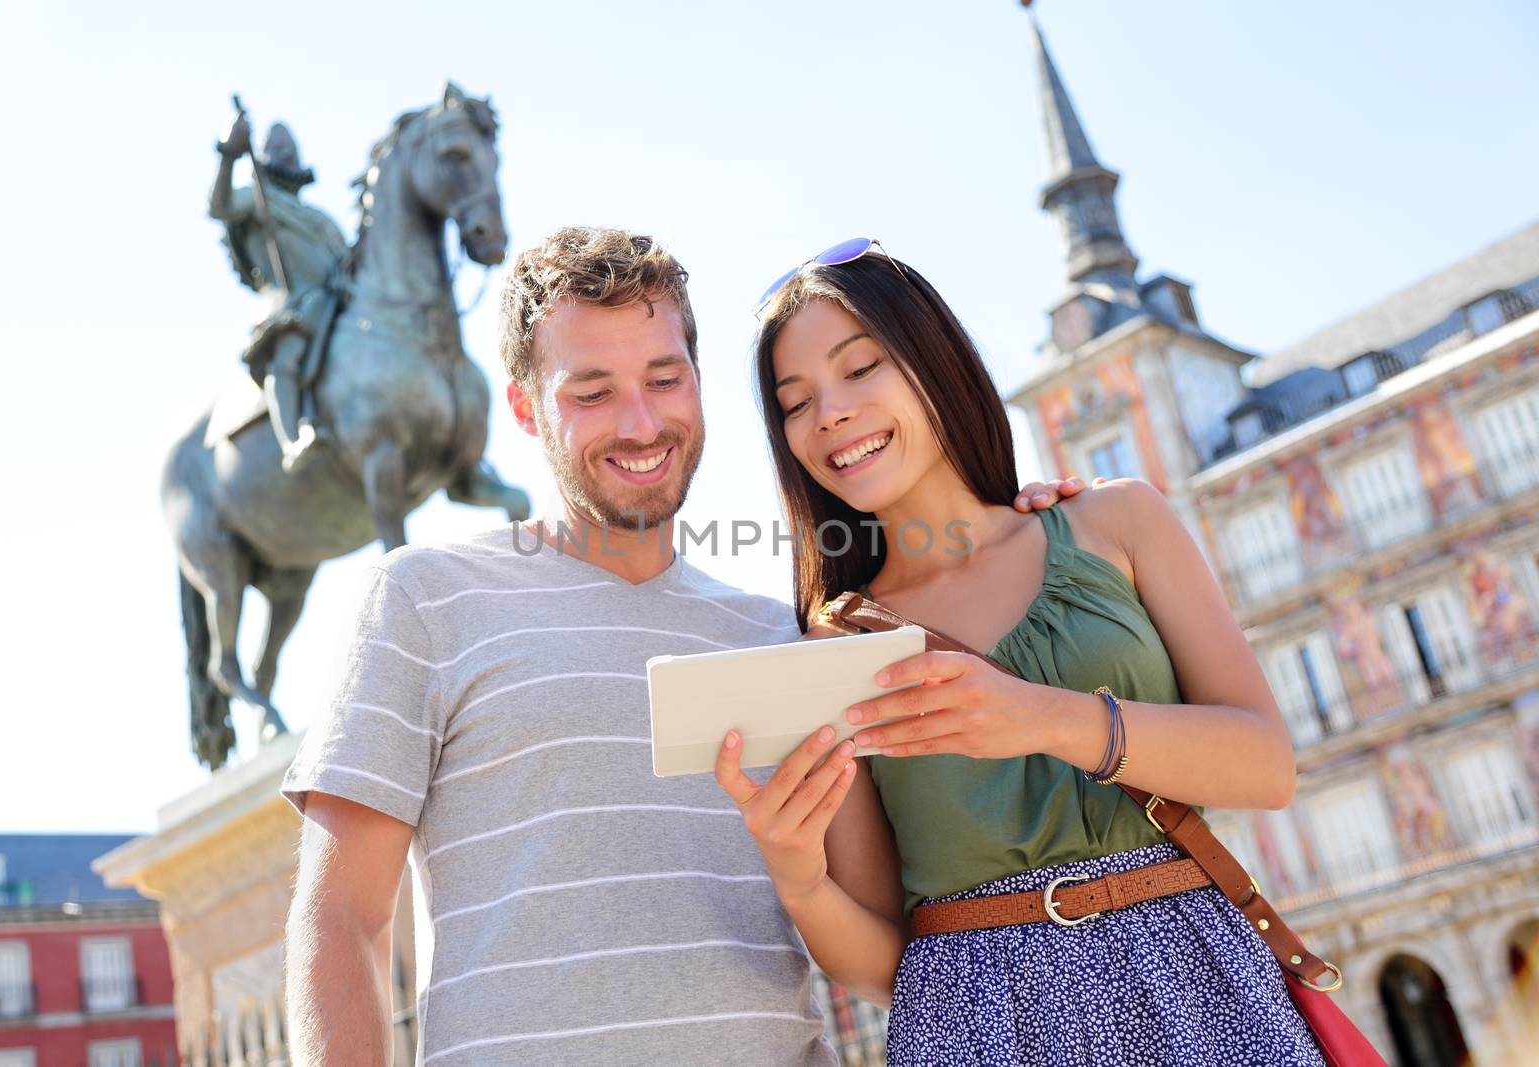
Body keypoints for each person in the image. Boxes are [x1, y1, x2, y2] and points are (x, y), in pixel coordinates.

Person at [278, 223, 1096, 1064]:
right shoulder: (425, 597)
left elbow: (891, 947)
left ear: (698, 384)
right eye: (590, 392)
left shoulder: (786, 632)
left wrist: (1010, 516)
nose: (640, 422)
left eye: (663, 379)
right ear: (524, 406)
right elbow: (341, 916)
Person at [715, 242, 1326, 1065]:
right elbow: (883, 961)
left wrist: (1043, 717)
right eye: (795, 402)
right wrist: (797, 877)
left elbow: (1266, 766)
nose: (828, 414)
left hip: (1197, 983)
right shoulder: (834, 643)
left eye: (861, 368)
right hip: (980, 1026)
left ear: (935, 362)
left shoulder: (1118, 523)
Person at [209, 113, 348, 472]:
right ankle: (293, 440)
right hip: (291, 305)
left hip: (335, 301)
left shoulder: (321, 219)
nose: (287, 156)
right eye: (279, 150)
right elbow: (219, 207)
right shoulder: (255, 199)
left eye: (292, 150)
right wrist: (228, 154)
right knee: (288, 356)